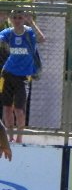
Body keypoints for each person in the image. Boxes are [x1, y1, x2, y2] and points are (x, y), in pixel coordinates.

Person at [0, 9, 45, 144]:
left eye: (20, 17)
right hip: (8, 73)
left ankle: (19, 139)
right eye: (15, 18)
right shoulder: (8, 32)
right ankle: (10, 138)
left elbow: (41, 39)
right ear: (11, 19)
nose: (17, 20)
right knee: (7, 108)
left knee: (19, 110)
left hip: (23, 76)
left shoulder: (29, 32)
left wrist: (31, 22)